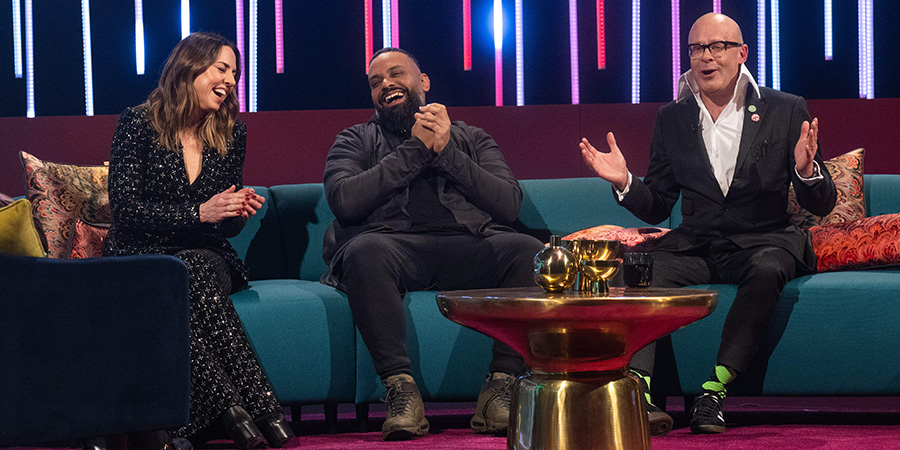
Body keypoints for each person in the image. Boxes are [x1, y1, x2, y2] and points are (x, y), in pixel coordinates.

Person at [580, 13, 836, 435]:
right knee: (640, 267)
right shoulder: (673, 117)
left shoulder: (786, 109)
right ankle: (639, 393)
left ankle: (714, 392)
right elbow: (659, 203)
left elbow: (822, 204)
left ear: (741, 54)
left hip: (762, 241)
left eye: (716, 47)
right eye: (697, 48)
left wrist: (807, 172)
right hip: (697, 245)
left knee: (770, 267)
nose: (706, 58)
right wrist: (625, 182)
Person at [321, 47, 545, 441]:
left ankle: (500, 388)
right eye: (376, 82)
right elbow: (345, 200)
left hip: (467, 245)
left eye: (396, 75)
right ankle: (401, 390)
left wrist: (445, 150)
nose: (386, 85)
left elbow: (508, 204)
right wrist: (416, 149)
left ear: (423, 83)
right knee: (363, 251)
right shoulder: (355, 139)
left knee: (526, 250)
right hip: (396, 248)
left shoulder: (471, 137)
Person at [103, 32, 293, 449]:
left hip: (206, 257)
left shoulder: (231, 133)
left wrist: (232, 214)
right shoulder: (138, 122)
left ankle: (237, 413)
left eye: (235, 74)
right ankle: (253, 410)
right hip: (140, 255)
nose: (230, 80)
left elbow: (222, 228)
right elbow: (127, 210)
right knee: (168, 285)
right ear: (190, 68)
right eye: (222, 69)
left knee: (192, 268)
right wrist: (199, 212)